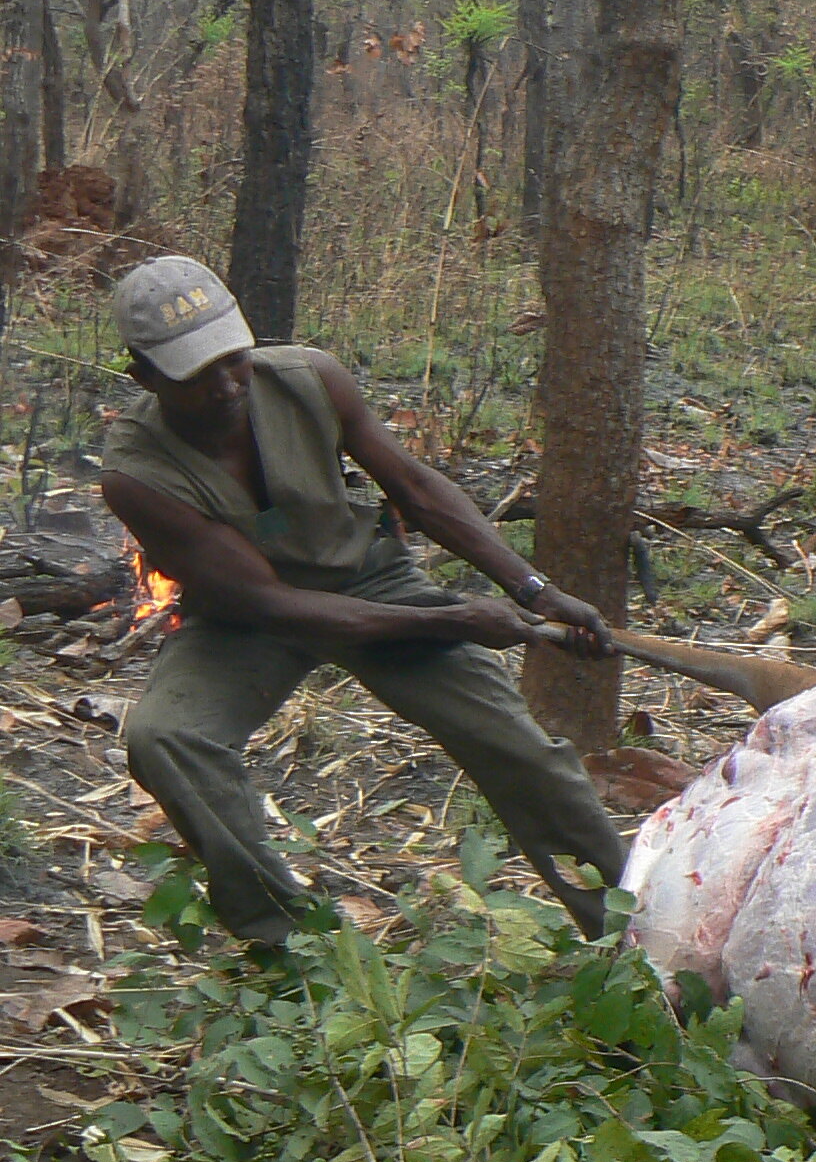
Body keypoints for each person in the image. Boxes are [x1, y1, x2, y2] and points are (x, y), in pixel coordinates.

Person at [95, 255, 625, 945]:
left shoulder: (308, 379)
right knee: (165, 737)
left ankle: (633, 932)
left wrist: (536, 590)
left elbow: (416, 488)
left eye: (234, 358)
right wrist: (450, 620)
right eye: (197, 375)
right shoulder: (136, 474)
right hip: (246, 619)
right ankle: (288, 945)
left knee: (516, 743)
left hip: (366, 577)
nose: (227, 384)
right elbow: (270, 605)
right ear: (144, 377)